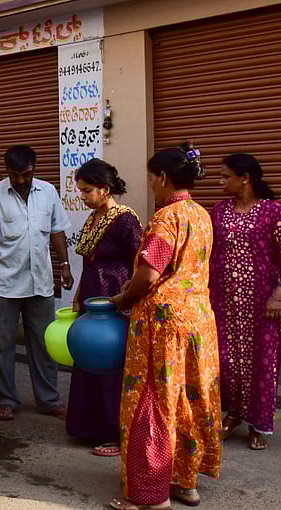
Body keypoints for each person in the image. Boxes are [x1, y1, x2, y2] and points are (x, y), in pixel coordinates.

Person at [108, 142, 221, 510]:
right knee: (189, 397)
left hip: (163, 323)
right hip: (199, 320)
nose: (152, 184)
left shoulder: (166, 217)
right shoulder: (202, 215)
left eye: (153, 177)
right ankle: (185, 482)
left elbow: (150, 272)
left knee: (152, 400)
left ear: (164, 178)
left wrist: (124, 298)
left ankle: (150, 495)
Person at [0, 145, 73, 422]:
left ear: (34, 168)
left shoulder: (48, 192)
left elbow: (57, 230)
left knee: (45, 343)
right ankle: (7, 399)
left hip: (41, 282)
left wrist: (65, 264)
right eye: (14, 175)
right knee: (2, 345)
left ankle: (48, 400)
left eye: (25, 174)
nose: (21, 180)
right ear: (6, 171)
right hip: (5, 284)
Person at [65, 159, 142, 457]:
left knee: (110, 366)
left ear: (104, 189)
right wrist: (77, 295)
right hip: (92, 298)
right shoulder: (94, 217)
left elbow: (140, 263)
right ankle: (87, 427)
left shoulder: (125, 220)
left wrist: (128, 301)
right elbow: (89, 262)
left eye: (86, 191)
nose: (82, 197)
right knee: (87, 360)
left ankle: (114, 432)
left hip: (114, 303)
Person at [209, 153, 281, 451]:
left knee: (261, 361)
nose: (220, 181)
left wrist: (278, 294)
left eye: (226, 176)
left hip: (262, 302)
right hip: (223, 303)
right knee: (226, 360)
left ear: (246, 178)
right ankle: (233, 414)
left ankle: (259, 423)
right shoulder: (219, 211)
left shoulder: (272, 211)